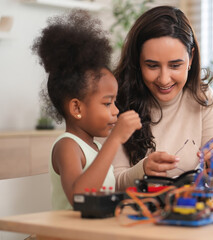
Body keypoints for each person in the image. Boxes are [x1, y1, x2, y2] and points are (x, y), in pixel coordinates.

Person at [113, 5, 213, 191]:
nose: (164, 79)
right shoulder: (114, 101)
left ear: (191, 58)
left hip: (184, 212)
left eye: (175, 65)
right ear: (138, 61)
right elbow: (110, 185)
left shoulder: (203, 97)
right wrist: (142, 170)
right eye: (152, 66)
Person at [32, 10, 142, 210]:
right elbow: (79, 198)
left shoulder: (97, 149)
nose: (116, 111)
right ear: (76, 108)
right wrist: (115, 139)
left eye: (115, 102)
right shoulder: (67, 146)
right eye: (107, 103)